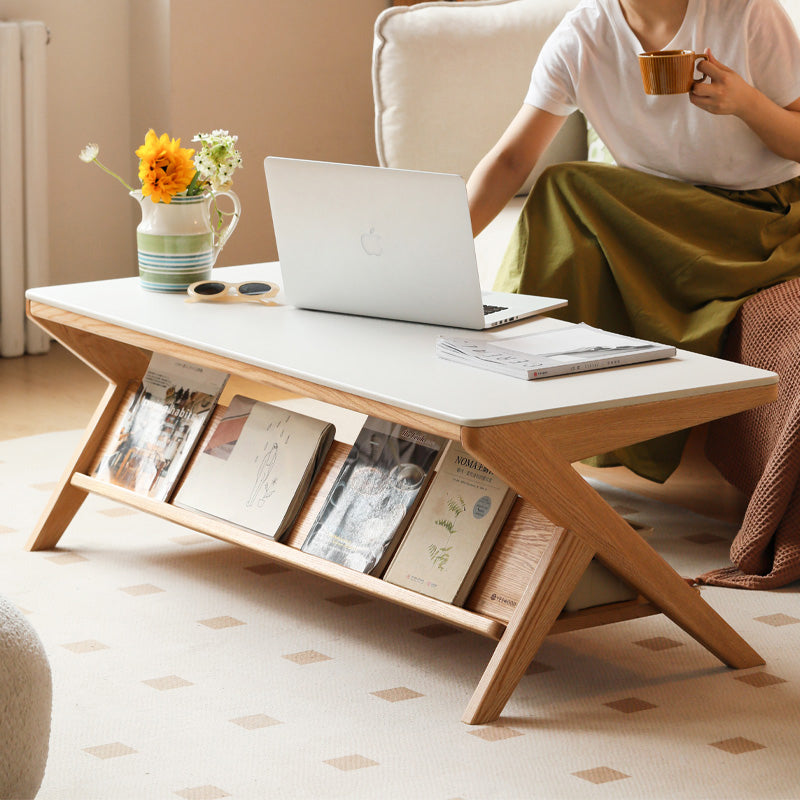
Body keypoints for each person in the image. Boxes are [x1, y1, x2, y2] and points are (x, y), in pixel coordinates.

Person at [466, 0, 800, 482]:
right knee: (563, 189)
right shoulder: (583, 34)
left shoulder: (746, 13)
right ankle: (511, 416)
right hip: (664, 220)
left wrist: (746, 104)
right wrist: (440, 250)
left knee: (569, 188)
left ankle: (524, 425)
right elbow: (512, 160)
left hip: (761, 222)